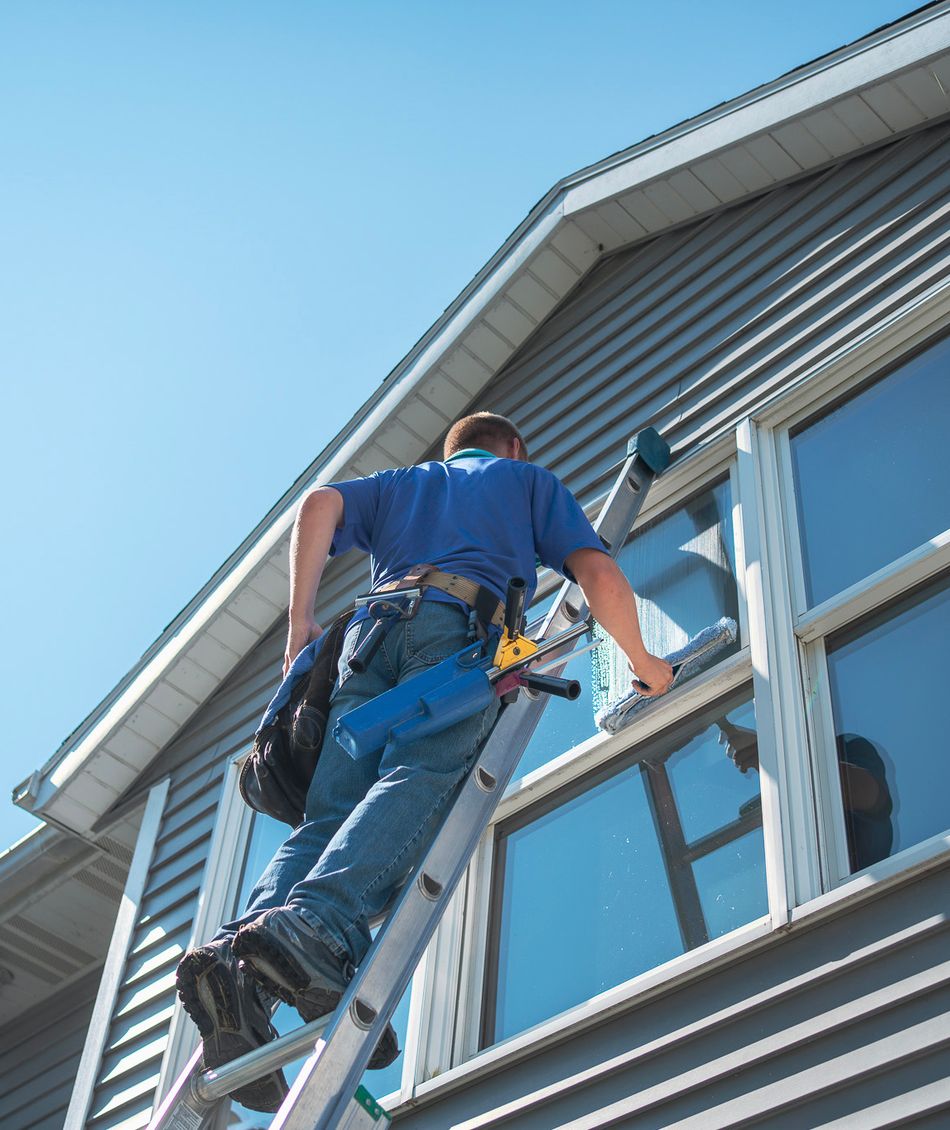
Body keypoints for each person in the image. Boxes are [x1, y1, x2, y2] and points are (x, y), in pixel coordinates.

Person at [175, 412, 673, 1111]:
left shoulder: (407, 485)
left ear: (452, 448)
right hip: (453, 637)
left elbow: (317, 504)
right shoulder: (525, 482)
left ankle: (237, 959)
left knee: (327, 819)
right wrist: (646, 664)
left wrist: (300, 627)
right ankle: (318, 926)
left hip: (364, 640)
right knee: (420, 774)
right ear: (514, 445)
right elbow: (597, 573)